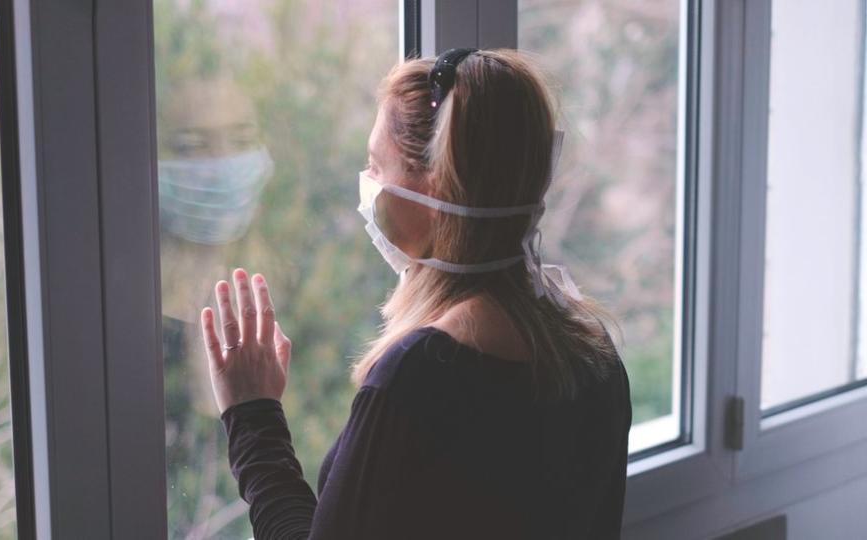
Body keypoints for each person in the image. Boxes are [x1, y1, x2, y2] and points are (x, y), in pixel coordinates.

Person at [199, 47, 632, 539]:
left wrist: (252, 415)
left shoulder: (421, 377)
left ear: (435, 189)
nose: (368, 186)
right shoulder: (592, 351)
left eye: (376, 165)